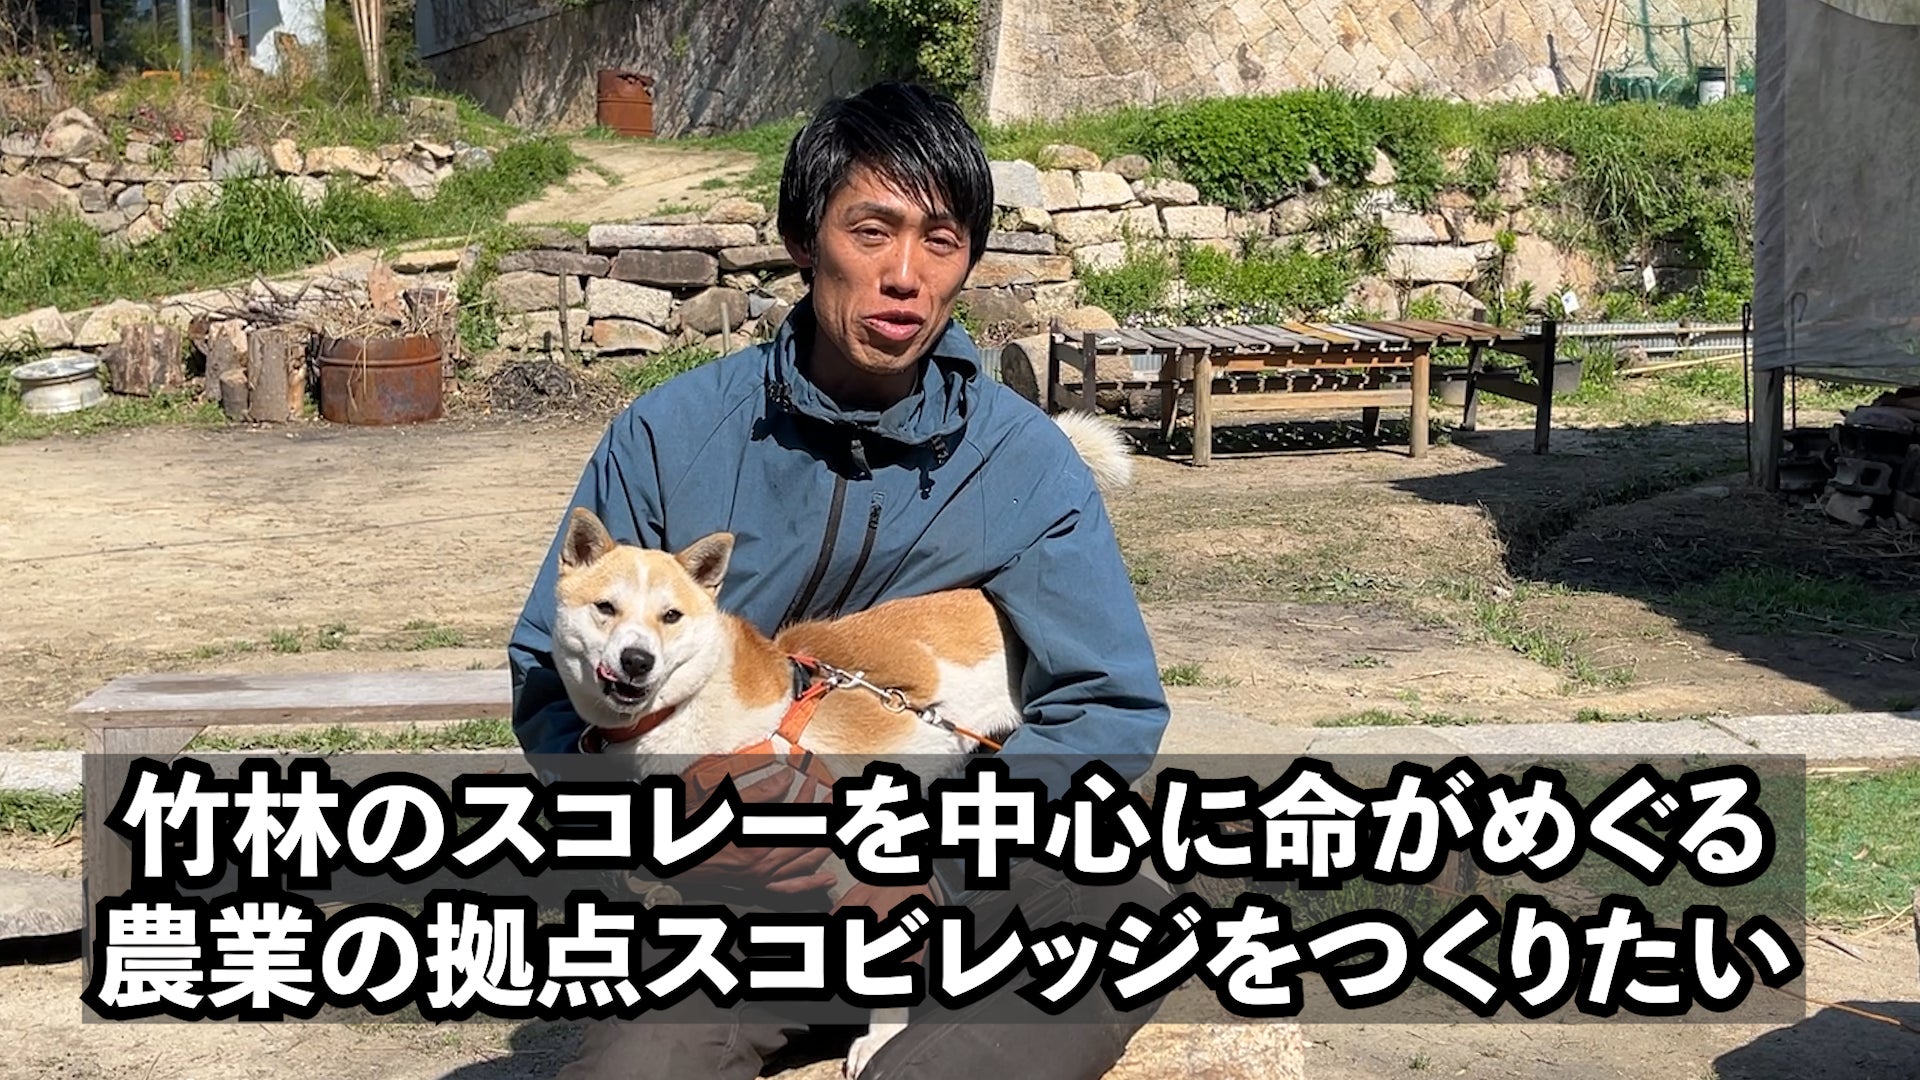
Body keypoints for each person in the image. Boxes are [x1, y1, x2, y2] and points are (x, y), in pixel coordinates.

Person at [506, 80, 1173, 1079]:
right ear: (801, 239)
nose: (905, 275)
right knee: (634, 1068)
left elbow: (1108, 703)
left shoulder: (1026, 462)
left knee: (1110, 931)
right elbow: (546, 679)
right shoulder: (668, 437)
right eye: (872, 231)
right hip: (753, 893)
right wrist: (682, 820)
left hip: (982, 873)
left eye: (941, 242)